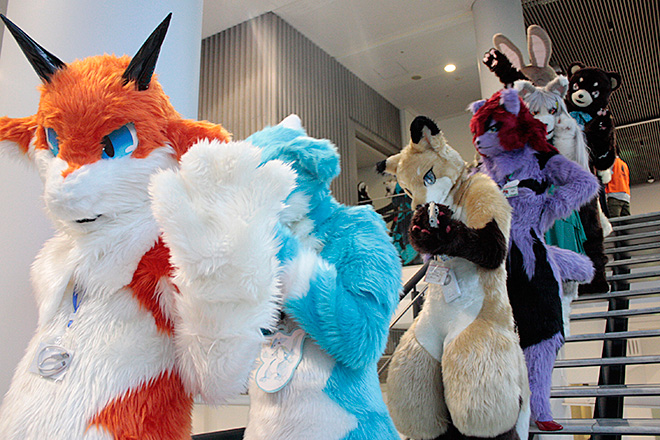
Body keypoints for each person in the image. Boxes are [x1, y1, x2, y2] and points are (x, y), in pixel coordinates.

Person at [604, 148, 631, 217]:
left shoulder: (611, 163)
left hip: (614, 195)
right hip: (626, 197)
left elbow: (605, 178)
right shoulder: (624, 164)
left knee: (615, 220)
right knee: (627, 221)